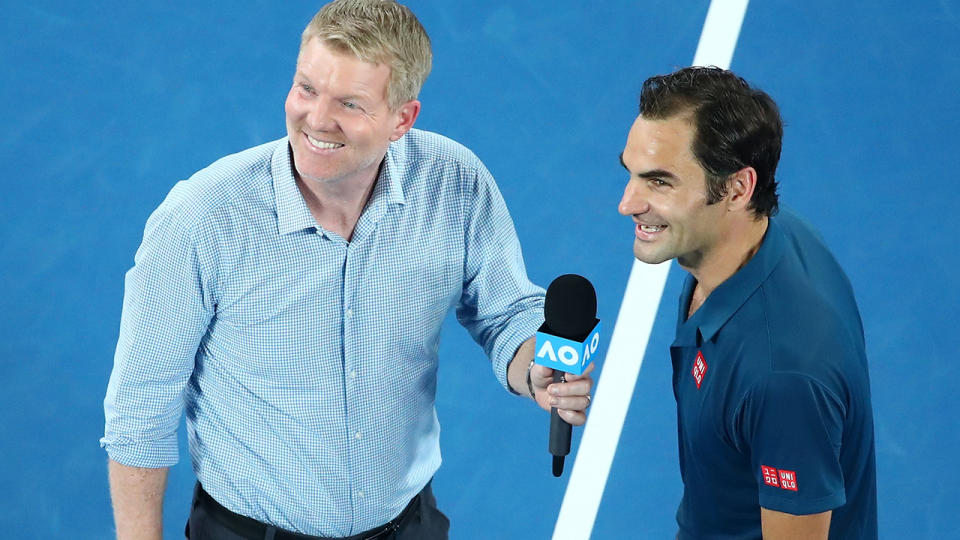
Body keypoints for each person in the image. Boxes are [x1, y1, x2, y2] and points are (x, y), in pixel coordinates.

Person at [101, 1, 593, 539]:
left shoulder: (455, 183)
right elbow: (139, 414)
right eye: (306, 89)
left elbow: (506, 313)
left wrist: (533, 370)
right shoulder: (202, 219)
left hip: (408, 526)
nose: (316, 119)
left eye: (349, 104)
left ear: (402, 119)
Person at [617, 66, 877, 539]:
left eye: (659, 182)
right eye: (631, 174)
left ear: (737, 189)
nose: (627, 203)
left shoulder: (781, 379)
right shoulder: (759, 238)